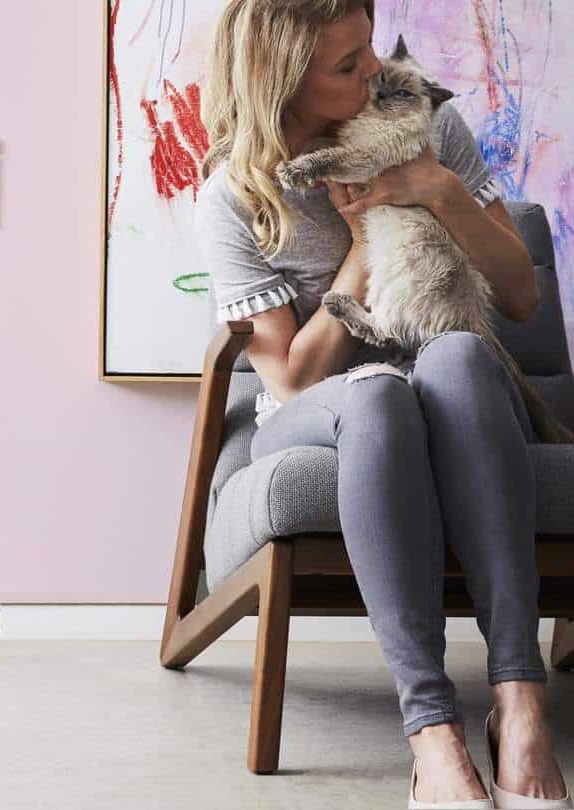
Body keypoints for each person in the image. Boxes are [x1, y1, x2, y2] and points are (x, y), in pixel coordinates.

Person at [193, 1, 572, 807]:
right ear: (281, 82)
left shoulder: (420, 122)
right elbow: (291, 380)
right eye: (344, 66)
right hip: (328, 410)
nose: (372, 70)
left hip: (458, 379)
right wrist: (364, 246)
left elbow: (521, 298)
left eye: (367, 48)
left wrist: (437, 191)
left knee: (460, 356)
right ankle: (433, 733)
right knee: (379, 398)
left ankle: (519, 699)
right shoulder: (234, 197)